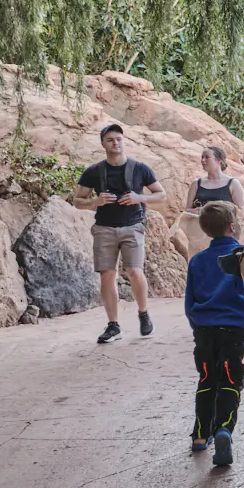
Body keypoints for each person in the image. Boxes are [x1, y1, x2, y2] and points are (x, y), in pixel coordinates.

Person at [71, 123, 165, 344]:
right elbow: (76, 200)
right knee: (107, 274)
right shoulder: (94, 172)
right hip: (104, 227)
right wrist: (96, 201)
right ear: (103, 144)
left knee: (134, 270)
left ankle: (143, 312)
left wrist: (138, 198)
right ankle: (113, 324)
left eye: (119, 139)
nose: (116, 143)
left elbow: (161, 195)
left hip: (133, 226)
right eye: (111, 139)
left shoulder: (140, 168)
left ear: (124, 141)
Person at [183, 201, 244, 466]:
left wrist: (197, 323)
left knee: (207, 378)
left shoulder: (197, 261)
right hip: (233, 328)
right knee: (231, 379)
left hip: (204, 329)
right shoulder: (242, 256)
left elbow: (190, 300)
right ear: (232, 226)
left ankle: (200, 435)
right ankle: (224, 428)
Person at [175, 146, 244, 257]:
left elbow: (240, 212)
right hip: (197, 235)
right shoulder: (196, 184)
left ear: (219, 160)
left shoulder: (233, 184)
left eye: (207, 157)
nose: (203, 160)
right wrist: (196, 211)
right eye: (202, 157)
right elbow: (187, 209)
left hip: (223, 236)